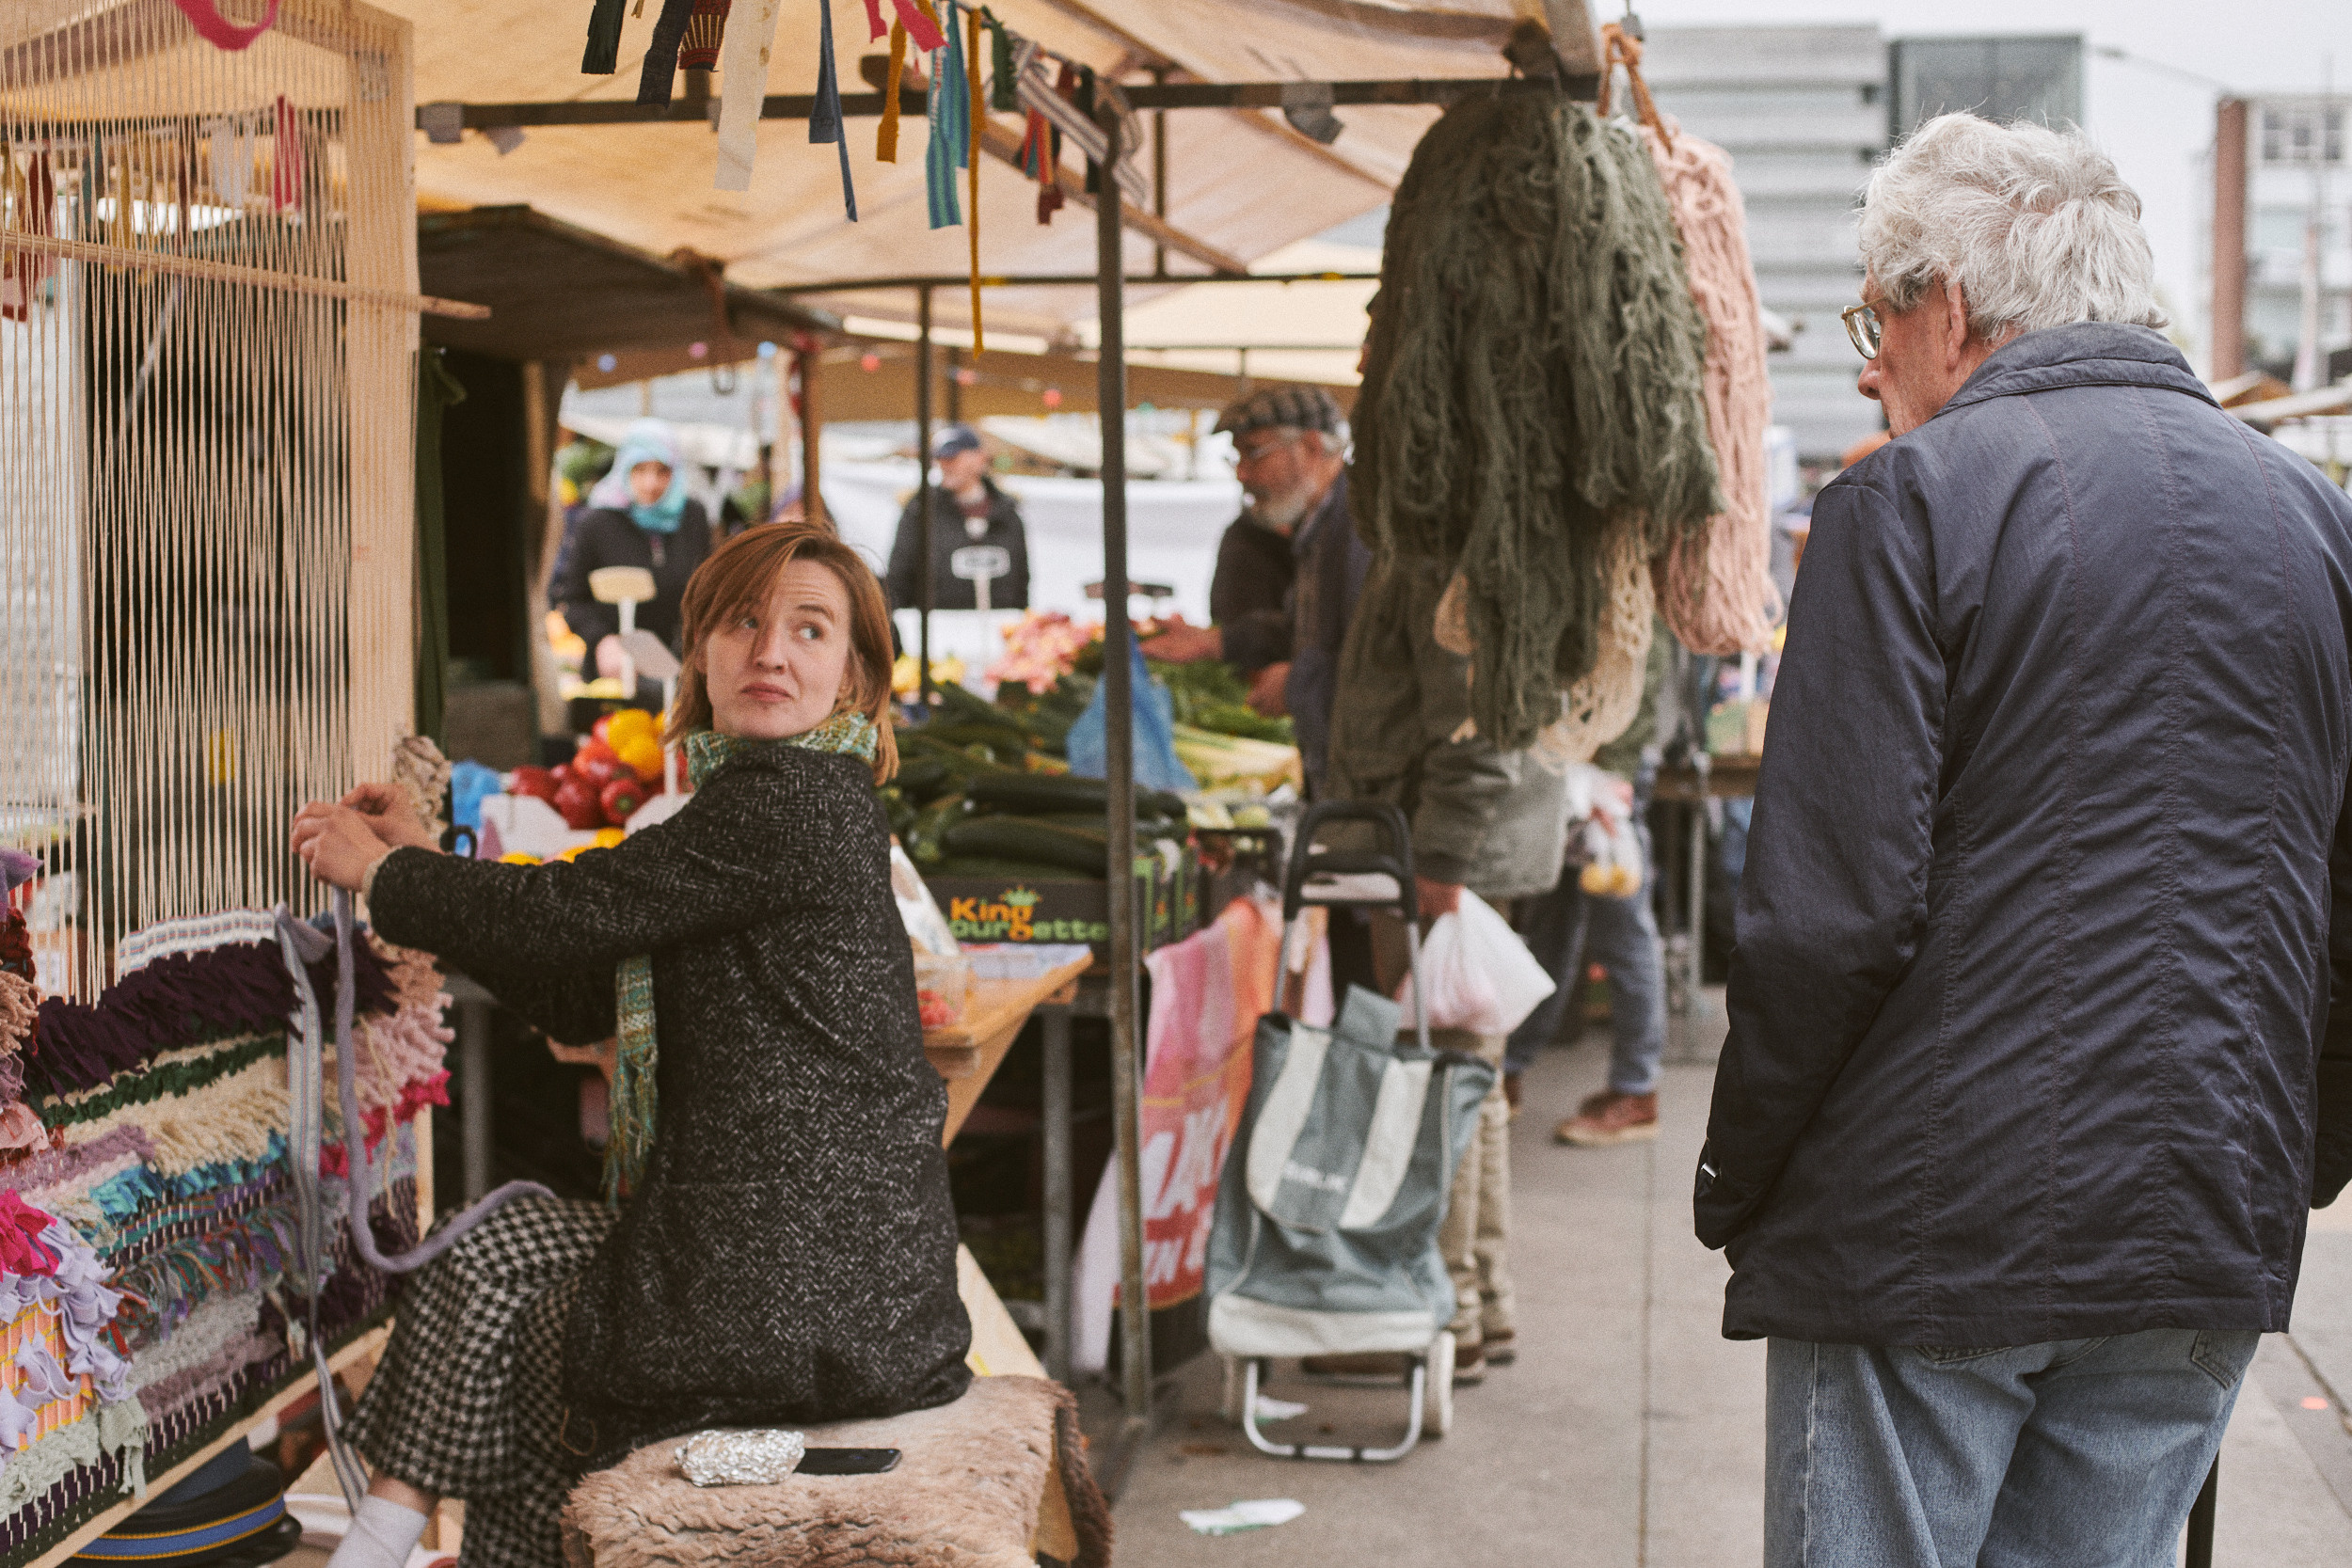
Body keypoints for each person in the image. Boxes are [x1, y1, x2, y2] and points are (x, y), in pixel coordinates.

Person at [1699, 114, 2352, 1567]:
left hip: (1928, 1224)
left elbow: (1826, 913)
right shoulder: (2312, 517)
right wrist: (2291, 1153)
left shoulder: (1909, 495)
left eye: (1878, 314)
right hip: (2201, 1203)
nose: (1867, 361)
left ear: (1949, 304)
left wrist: (1739, 1173)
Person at [292, 523, 971, 1568]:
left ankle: (388, 1549)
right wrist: (424, 858)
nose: (770, 652)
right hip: (801, 1273)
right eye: (742, 621)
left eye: (810, 628)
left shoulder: (793, 803)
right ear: (698, 648)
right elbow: (577, 985)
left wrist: (387, 880)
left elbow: (569, 907)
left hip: (810, 1307)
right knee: (489, 1256)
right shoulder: (763, 802)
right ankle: (377, 1549)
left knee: (526, 1332)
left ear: (855, 676)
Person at [1315, 552, 1572, 1381]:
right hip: (1454, 854)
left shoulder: (1442, 556)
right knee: (1473, 1083)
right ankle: (1479, 1301)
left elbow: (1476, 730)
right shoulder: (1461, 545)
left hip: (1437, 860)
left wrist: (1442, 862)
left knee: (1445, 1086)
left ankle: (1446, 1312)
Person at [1145, 386, 1366, 779]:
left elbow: (1376, 660)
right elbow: (1308, 631)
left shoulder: (1358, 530)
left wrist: (1297, 685)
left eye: (1254, 452)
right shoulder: (1317, 529)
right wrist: (1217, 641)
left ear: (1312, 448)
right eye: (1236, 456)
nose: (1242, 473)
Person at [1505, 626, 1672, 1144]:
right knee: (1551, 928)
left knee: (1621, 929)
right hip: (1571, 763)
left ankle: (1636, 1090)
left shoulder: (1629, 570)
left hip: (1605, 771)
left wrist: (1615, 773)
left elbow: (1644, 655)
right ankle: (1507, 1070)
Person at [548, 418, 715, 708]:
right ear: (624, 467)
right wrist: (602, 640)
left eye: (662, 471)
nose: (650, 483)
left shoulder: (693, 518)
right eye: (640, 469)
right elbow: (568, 598)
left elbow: (710, 589)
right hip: (616, 676)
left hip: (684, 673)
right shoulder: (596, 523)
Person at [884, 424, 1029, 612]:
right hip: (937, 629)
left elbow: (1021, 580)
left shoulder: (1007, 513)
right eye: (940, 459)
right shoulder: (920, 510)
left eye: (952, 457)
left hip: (998, 628)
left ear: (980, 458)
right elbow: (898, 578)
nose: (945, 465)